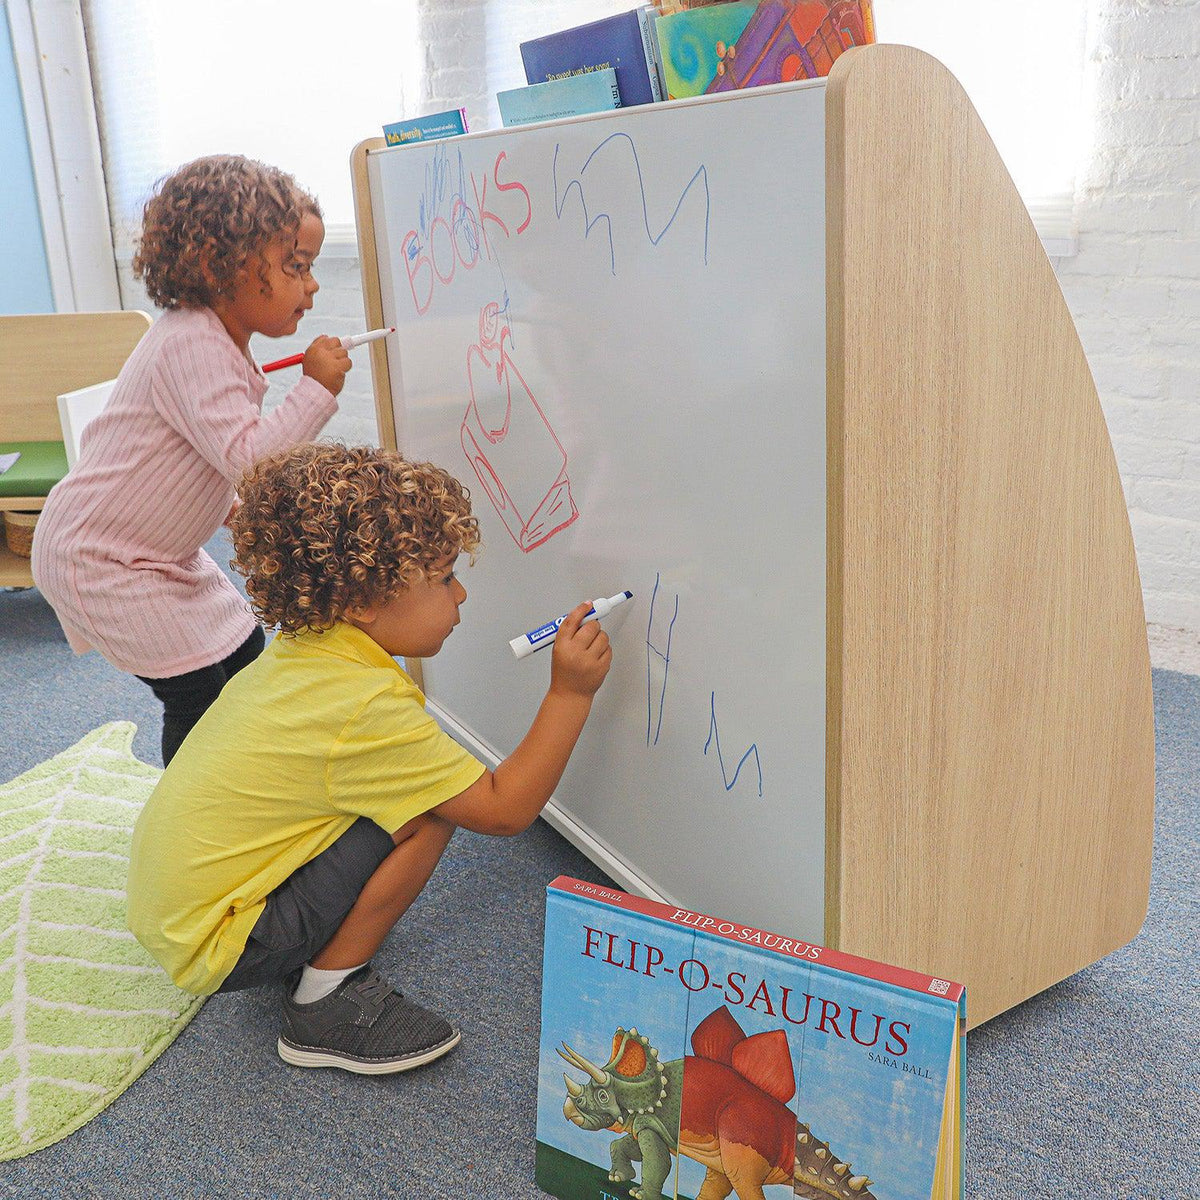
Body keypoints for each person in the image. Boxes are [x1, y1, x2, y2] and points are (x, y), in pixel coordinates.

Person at [126, 443, 613, 1074]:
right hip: (220, 938)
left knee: (403, 798)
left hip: (175, 906)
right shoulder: (363, 706)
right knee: (432, 813)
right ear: (360, 603)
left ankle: (305, 951)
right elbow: (503, 810)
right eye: (442, 578)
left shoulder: (304, 650)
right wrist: (569, 693)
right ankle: (323, 1005)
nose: (461, 593)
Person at [31, 155, 350, 765]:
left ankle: (245, 782)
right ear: (217, 265)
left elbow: (187, 449)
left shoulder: (215, 339)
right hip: (101, 559)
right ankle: (193, 820)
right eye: (296, 266)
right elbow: (252, 460)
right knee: (198, 691)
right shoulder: (192, 343)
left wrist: (219, 505)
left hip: (153, 552)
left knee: (244, 656)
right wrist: (317, 389)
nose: (310, 286)